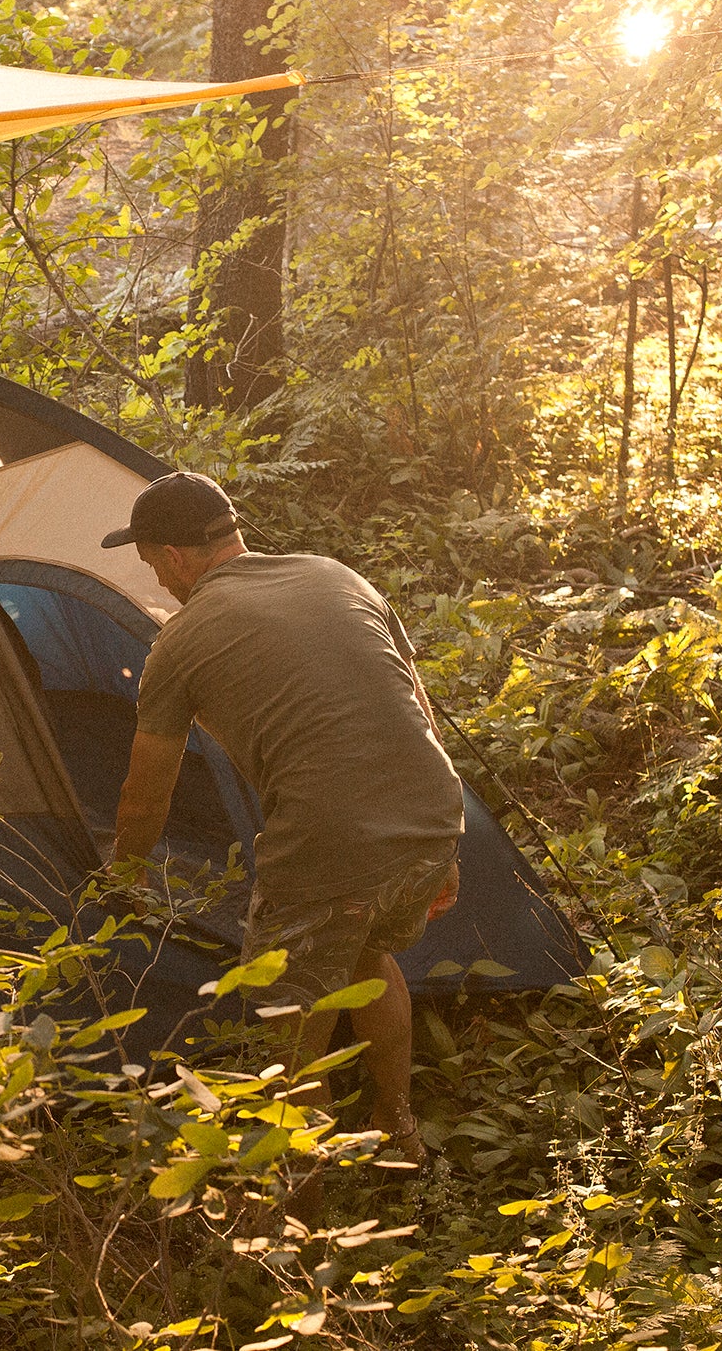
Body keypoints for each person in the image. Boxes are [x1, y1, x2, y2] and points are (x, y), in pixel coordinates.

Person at [102, 471, 464, 1166]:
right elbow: (418, 714)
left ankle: (300, 1212)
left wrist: (125, 871)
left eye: (152, 565)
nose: (161, 583)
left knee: (285, 1027)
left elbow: (146, 794)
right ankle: (401, 1130)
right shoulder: (337, 575)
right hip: (431, 816)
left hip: (332, 844)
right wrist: (440, 843)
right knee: (366, 952)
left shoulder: (180, 641)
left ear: (174, 555)